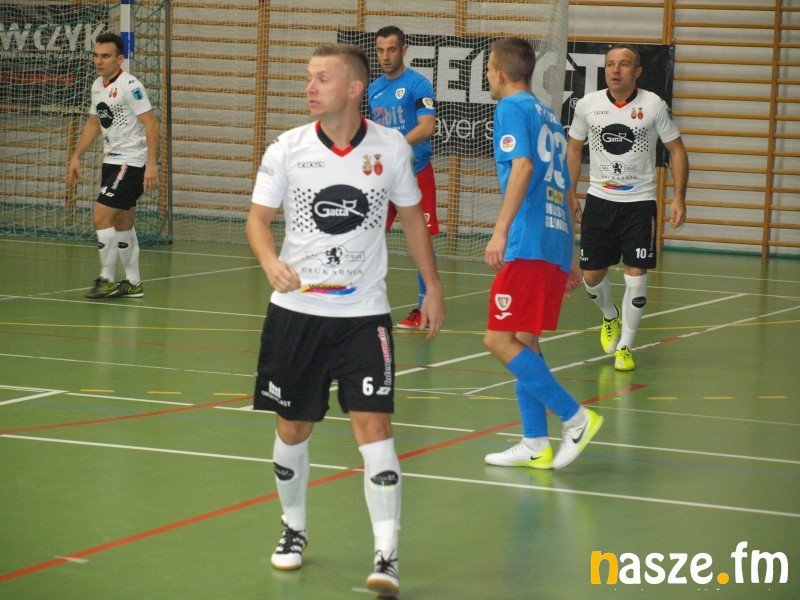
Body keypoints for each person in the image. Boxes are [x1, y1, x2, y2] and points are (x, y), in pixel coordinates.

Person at [247, 44, 444, 597]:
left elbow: (412, 220)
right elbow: (258, 220)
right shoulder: (287, 148)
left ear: (355, 89)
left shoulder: (391, 148)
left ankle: (387, 554)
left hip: (364, 316)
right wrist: (269, 262)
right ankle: (293, 528)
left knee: (375, 430)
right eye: (308, 78)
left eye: (322, 78)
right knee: (292, 429)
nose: (310, 88)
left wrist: (432, 287)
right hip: (297, 314)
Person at [482, 37, 603, 471]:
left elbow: (524, 167)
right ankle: (535, 442)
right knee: (525, 342)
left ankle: (576, 417)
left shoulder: (511, 108)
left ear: (499, 73)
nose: (488, 77)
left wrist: (500, 231)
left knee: (498, 339)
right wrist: (567, 253)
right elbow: (564, 188)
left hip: (527, 240)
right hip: (552, 239)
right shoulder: (548, 116)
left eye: (488, 69)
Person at [567, 44, 689, 371]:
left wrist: (678, 197)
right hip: (599, 202)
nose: (615, 70)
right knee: (592, 277)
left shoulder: (653, 105)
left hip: (640, 204)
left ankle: (626, 346)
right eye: (610, 64)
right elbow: (574, 147)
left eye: (623, 65)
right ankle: (610, 315)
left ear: (637, 72)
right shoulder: (589, 105)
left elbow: (677, 150)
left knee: (636, 275)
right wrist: (570, 192)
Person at [66, 32, 159, 300]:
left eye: (105, 56)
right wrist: (76, 156)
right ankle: (133, 284)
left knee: (100, 215)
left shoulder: (131, 86)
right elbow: (93, 124)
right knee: (122, 221)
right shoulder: (97, 86)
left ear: (119, 59)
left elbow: (152, 125)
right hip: (111, 162)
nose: (99, 61)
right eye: (96, 55)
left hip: (130, 162)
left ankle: (106, 279)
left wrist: (151, 164)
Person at [368, 25, 440, 330]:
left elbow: (427, 127)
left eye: (392, 49)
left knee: (421, 240)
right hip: (383, 178)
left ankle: (424, 308)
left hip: (416, 173)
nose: (386, 56)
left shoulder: (418, 85)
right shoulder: (373, 90)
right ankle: (360, 302)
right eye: (381, 50)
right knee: (367, 235)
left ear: (404, 50)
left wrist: (396, 147)